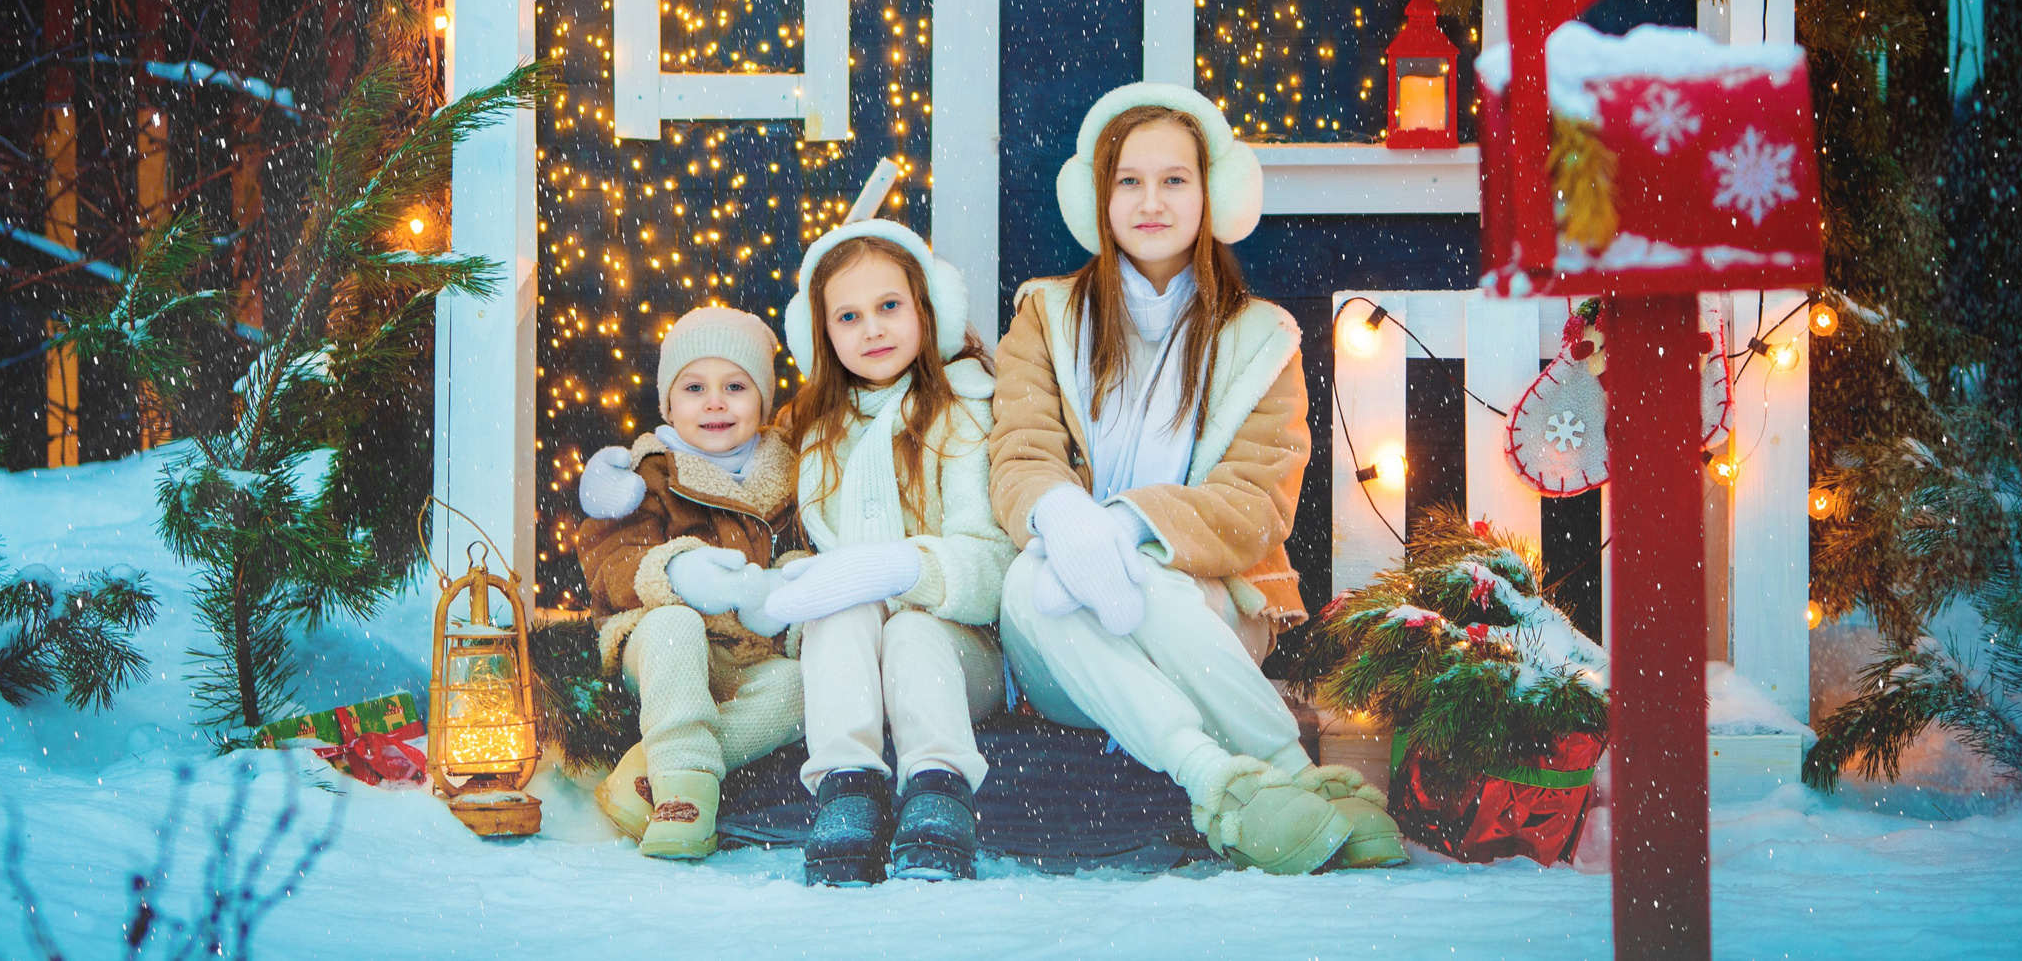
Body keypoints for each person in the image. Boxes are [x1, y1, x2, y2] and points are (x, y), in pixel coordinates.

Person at [989, 83, 1407, 875]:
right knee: (1029, 583)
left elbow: (1256, 502)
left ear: (1213, 192)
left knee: (1139, 576)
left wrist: (1127, 528)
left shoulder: (1261, 336)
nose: (1152, 200)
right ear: (1101, 197)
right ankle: (1270, 772)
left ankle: (1244, 782)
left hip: (1209, 610)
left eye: (1175, 179)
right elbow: (1019, 452)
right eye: (1129, 181)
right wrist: (1068, 520)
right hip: (1062, 642)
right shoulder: (1045, 316)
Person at [758, 220, 1012, 885]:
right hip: (851, 646)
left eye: (889, 306)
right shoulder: (815, 431)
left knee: (914, 633)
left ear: (926, 311)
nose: (872, 328)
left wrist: (905, 571)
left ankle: (936, 788)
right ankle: (849, 788)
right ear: (824, 334)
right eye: (849, 315)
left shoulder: (966, 413)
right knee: (837, 615)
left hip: (960, 650)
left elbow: (992, 564)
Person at [574, 306, 805, 860]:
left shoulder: (793, 471)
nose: (715, 402)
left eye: (735, 386)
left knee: (805, 686)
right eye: (695, 387)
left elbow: (811, 543)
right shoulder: (648, 474)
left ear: (764, 401)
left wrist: (789, 589)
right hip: (662, 647)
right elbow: (610, 561)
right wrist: (675, 571)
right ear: (668, 403)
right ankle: (688, 798)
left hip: (751, 655)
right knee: (674, 627)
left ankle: (652, 773)